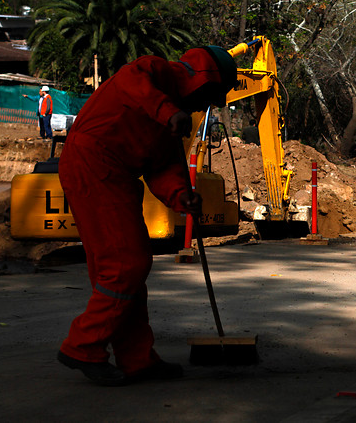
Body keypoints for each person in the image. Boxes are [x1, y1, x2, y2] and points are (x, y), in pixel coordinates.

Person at [56, 46, 238, 386]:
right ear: (203, 82)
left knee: (125, 273)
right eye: (209, 98)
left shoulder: (174, 118)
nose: (204, 107)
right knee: (127, 264)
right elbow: (131, 83)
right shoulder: (155, 72)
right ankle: (82, 346)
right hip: (93, 163)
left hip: (115, 175)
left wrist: (181, 195)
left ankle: (137, 360)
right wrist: (167, 110)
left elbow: (163, 166)